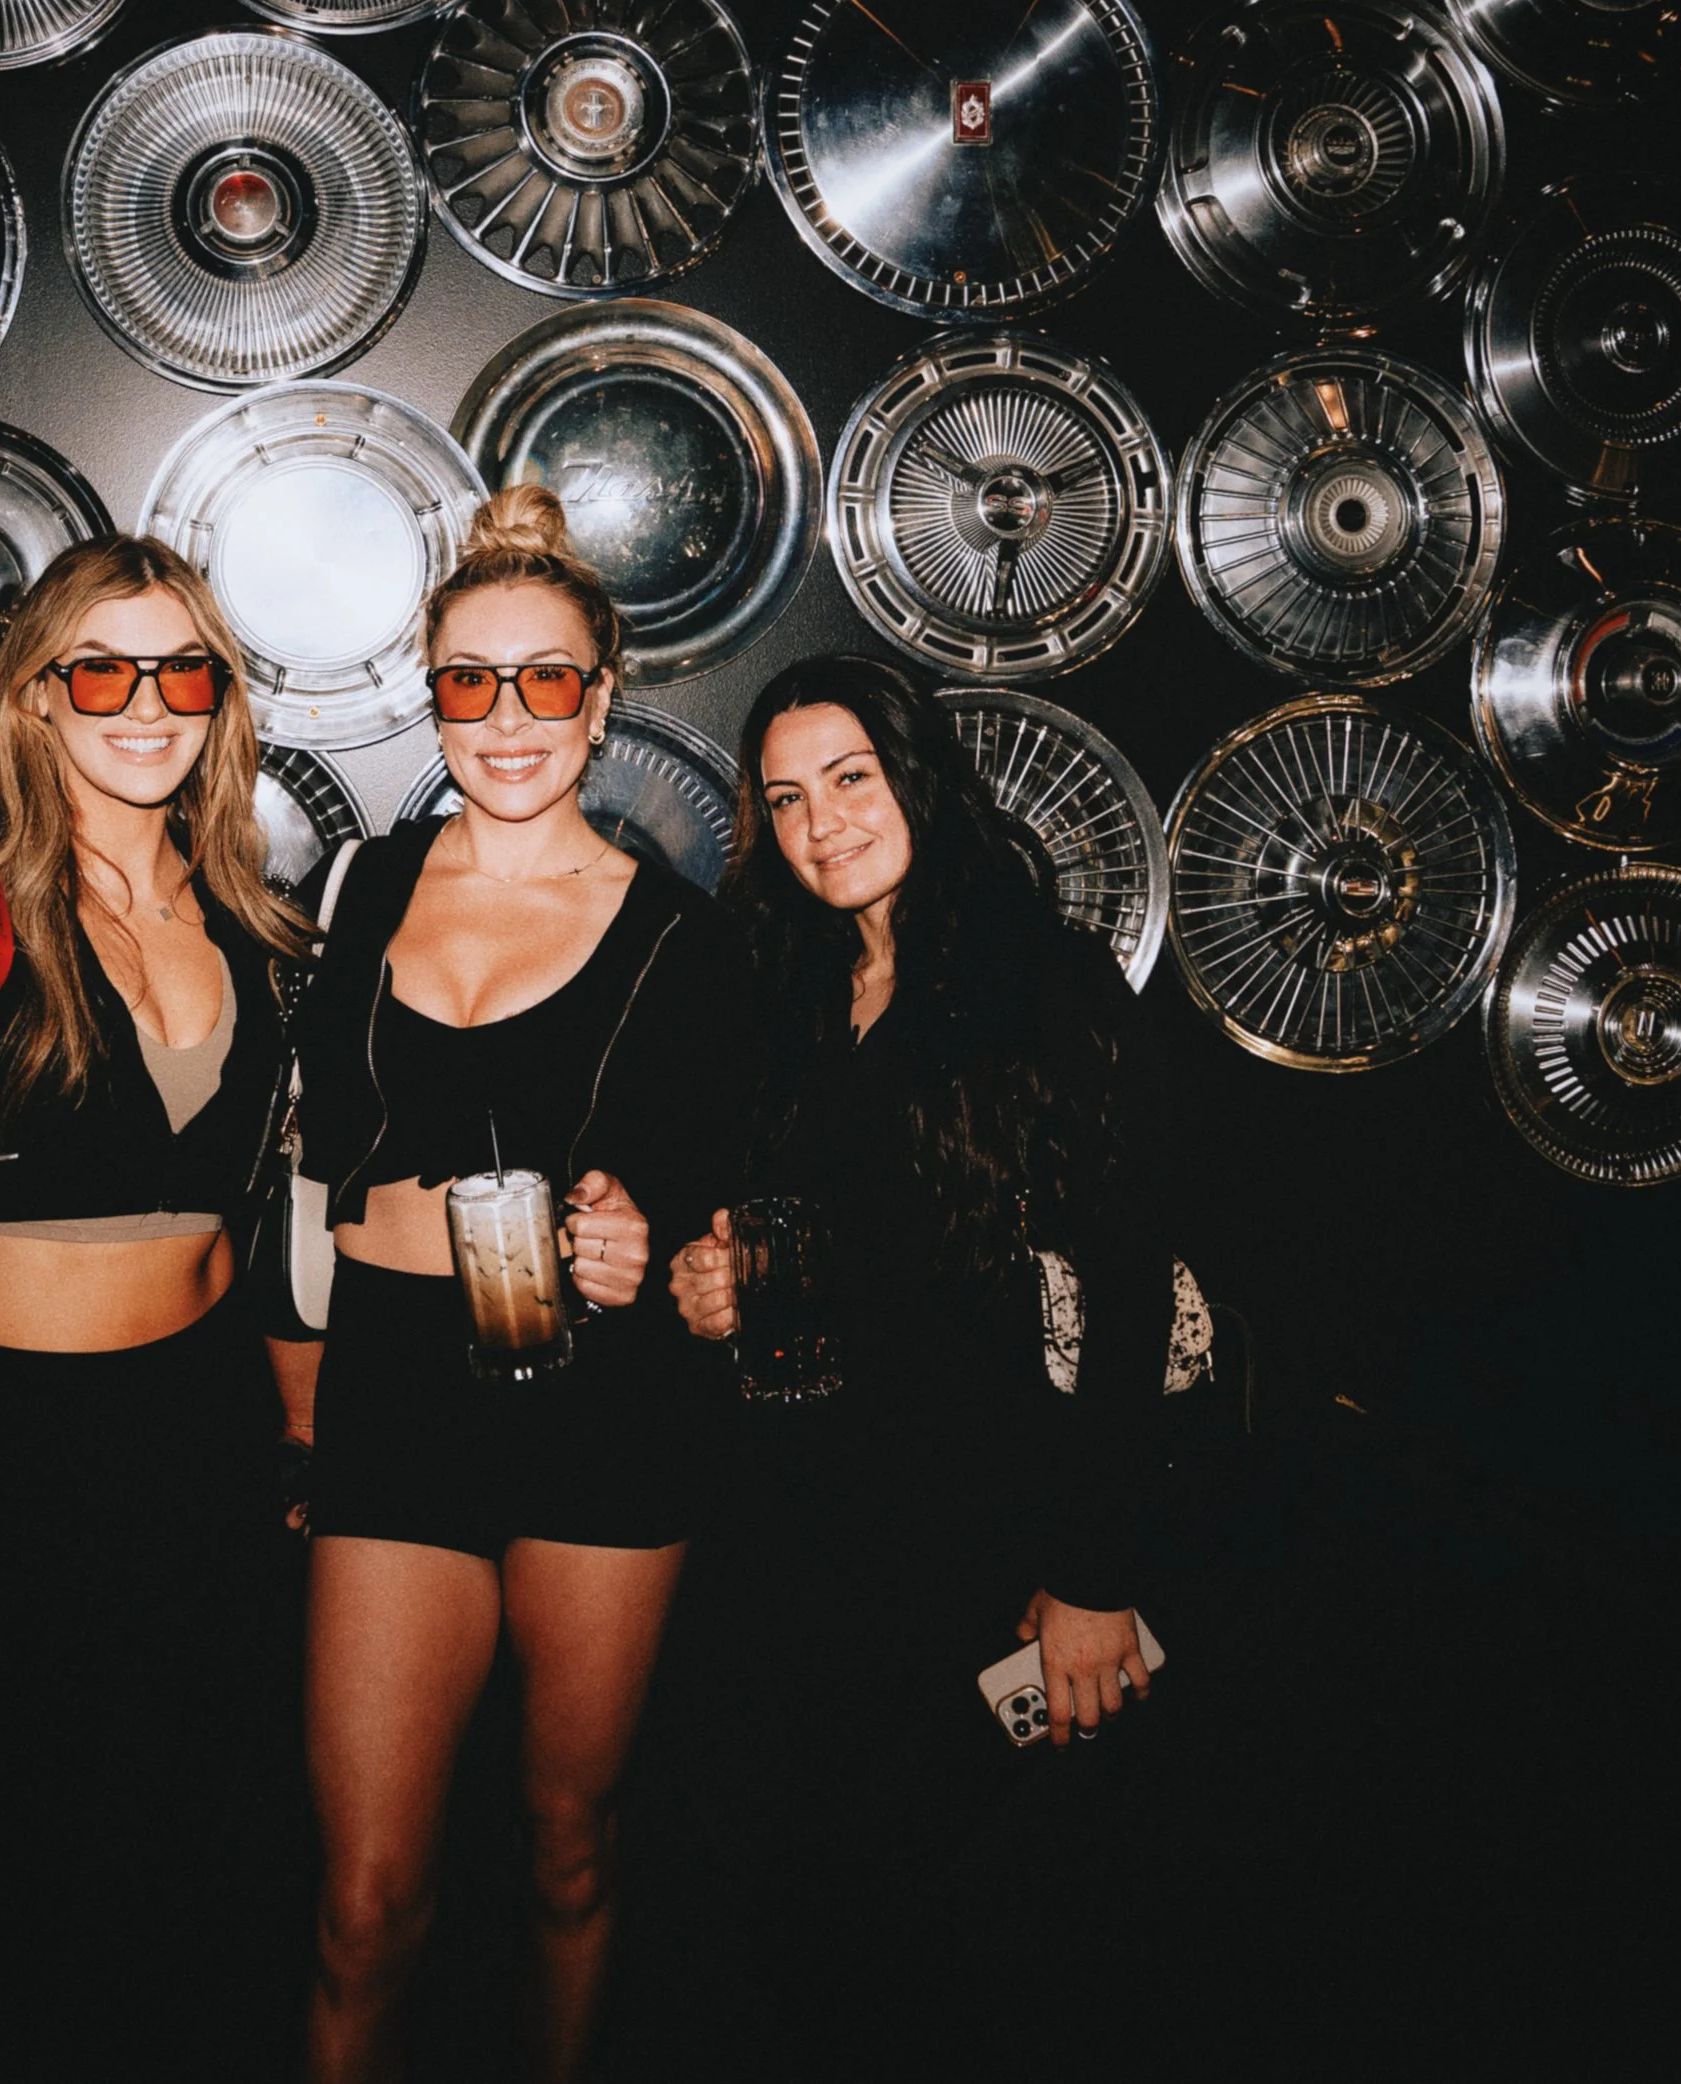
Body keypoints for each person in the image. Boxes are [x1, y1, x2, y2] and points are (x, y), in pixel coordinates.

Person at [277, 485, 744, 2084]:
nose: (509, 717)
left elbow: (712, 1201)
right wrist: (295, 1410)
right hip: (398, 1388)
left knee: (566, 1843)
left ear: (602, 701)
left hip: (605, 1408)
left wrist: (659, 1237)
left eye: (548, 679)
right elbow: (308, 1177)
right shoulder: (364, 896)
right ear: (433, 695)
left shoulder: (685, 939)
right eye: (471, 681)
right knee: (362, 1900)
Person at [666, 651, 1178, 2066]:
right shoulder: (783, 988)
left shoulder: (1041, 982)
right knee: (788, 1920)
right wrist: (710, 1290)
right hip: (795, 1539)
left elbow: (1130, 1298)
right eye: (783, 799)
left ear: (919, 780)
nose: (821, 823)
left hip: (979, 1540)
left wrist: (1094, 1576)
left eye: (850, 779)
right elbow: (765, 1242)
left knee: (953, 1933)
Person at [0, 533, 312, 2055]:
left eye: (182, 667)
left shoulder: (250, 910)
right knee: (20, 1859)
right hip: (18, 1446)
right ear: (37, 699)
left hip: (207, 1432)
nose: (144, 701)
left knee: (200, 1845)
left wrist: (295, 1430)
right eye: (100, 666)